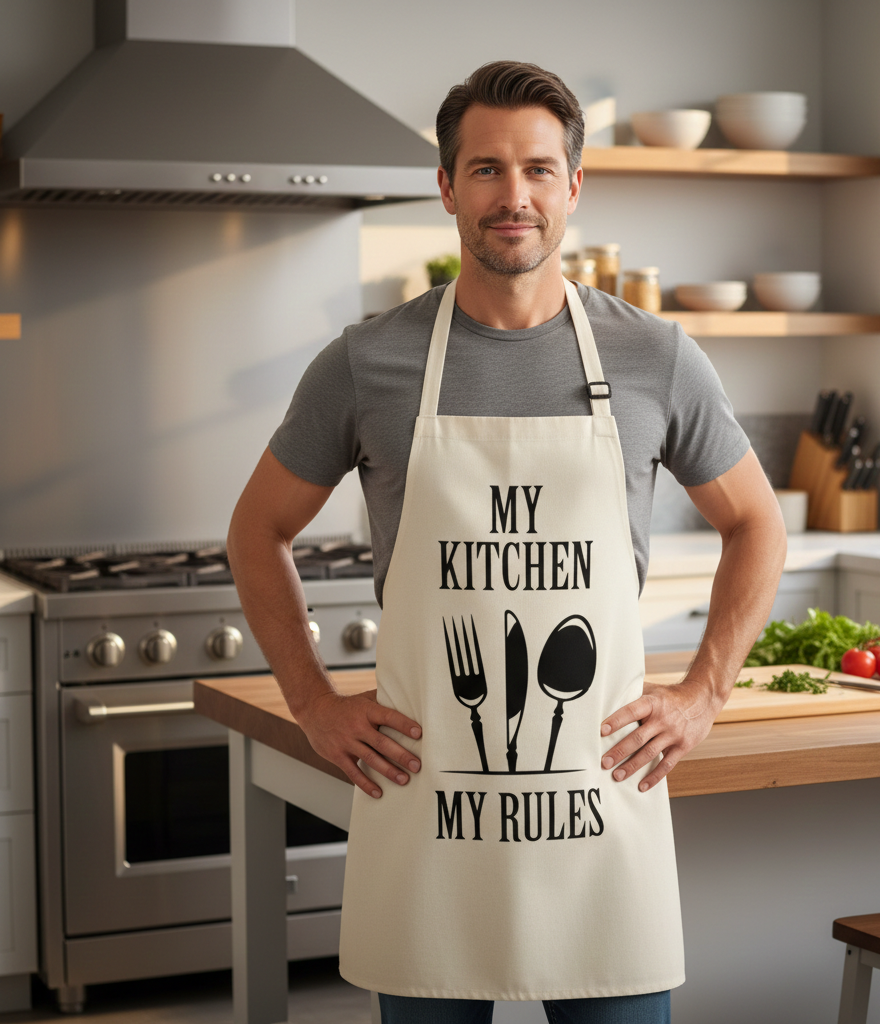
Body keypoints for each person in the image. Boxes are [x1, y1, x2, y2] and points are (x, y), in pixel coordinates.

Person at [227, 60, 787, 1024]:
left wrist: (703, 695)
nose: (513, 196)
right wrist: (312, 701)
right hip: (430, 811)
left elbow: (757, 523)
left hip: (599, 811)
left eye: (537, 169)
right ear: (447, 187)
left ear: (574, 184)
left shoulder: (655, 358)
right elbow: (256, 531)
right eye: (485, 170)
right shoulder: (368, 364)